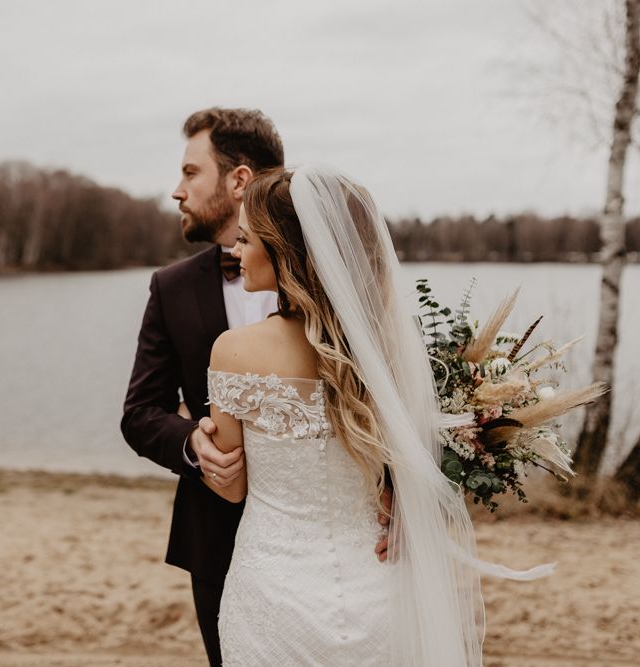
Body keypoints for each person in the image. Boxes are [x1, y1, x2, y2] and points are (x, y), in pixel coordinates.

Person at [204, 165, 487, 666]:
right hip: (379, 592)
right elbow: (428, 459)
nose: (236, 252)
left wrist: (202, 441)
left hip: (274, 595)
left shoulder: (233, 352)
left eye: (246, 239)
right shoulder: (391, 354)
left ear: (285, 252)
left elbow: (231, 486)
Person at [121, 107, 286, 666]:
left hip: (328, 533)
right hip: (216, 537)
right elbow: (141, 412)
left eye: (191, 173)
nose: (176, 191)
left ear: (239, 180)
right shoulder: (170, 288)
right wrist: (194, 442)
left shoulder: (327, 278)